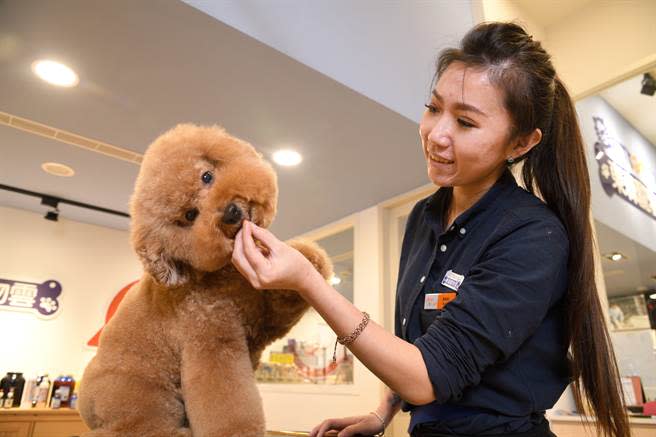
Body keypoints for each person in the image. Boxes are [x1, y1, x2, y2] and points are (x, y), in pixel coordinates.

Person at [232, 22, 629, 437]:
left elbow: (426, 377)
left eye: (466, 122)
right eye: (433, 108)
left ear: (521, 144)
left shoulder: (532, 235)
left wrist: (308, 282)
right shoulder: (425, 217)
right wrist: (382, 412)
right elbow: (422, 347)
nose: (436, 134)